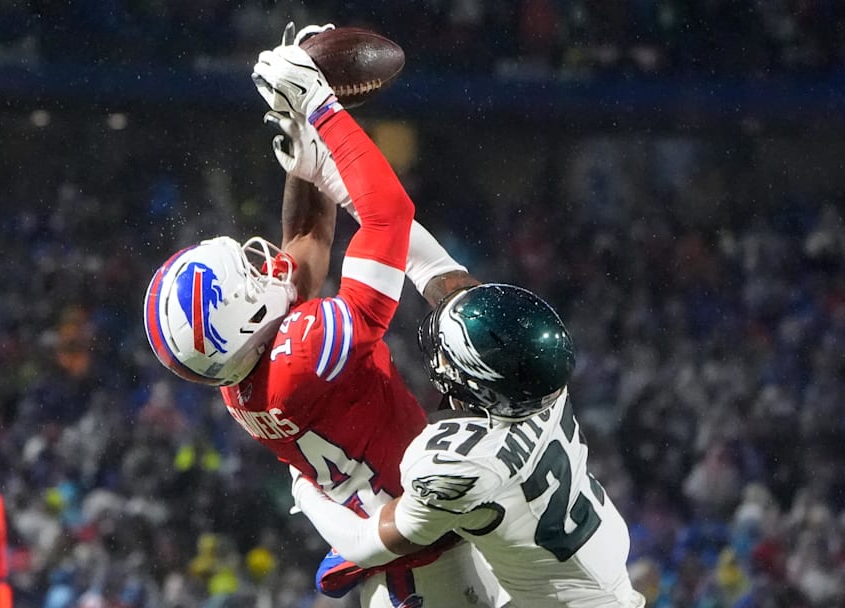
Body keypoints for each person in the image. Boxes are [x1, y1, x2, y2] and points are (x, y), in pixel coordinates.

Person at [144, 24, 506, 608]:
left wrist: (301, 148)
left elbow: (305, 238)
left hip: (397, 562)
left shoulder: (244, 376)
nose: (264, 264)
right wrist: (323, 108)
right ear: (237, 322)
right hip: (439, 570)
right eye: (249, 274)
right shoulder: (306, 355)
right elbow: (388, 217)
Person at [291, 283, 647, 607]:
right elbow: (450, 280)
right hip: (591, 578)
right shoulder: (540, 379)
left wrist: (304, 484)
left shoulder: (461, 461)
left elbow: (363, 543)